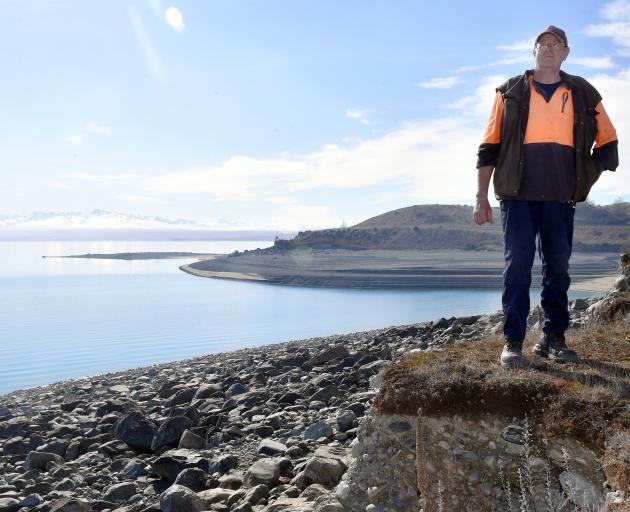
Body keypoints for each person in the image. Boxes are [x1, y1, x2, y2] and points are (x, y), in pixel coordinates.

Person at [473, 25, 619, 367]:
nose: (549, 49)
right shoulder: (509, 91)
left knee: (558, 268)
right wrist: (481, 195)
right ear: (533, 52)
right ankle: (512, 342)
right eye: (543, 44)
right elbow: (488, 147)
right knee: (518, 268)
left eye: (556, 45)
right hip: (516, 196)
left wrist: (582, 176)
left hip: (559, 197)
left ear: (566, 53)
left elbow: (608, 145)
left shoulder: (582, 92)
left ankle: (553, 338)